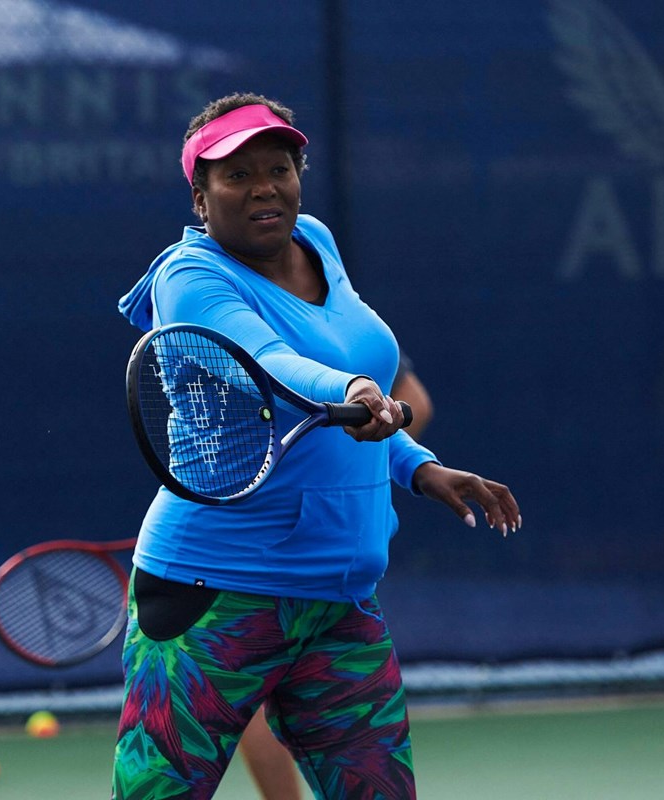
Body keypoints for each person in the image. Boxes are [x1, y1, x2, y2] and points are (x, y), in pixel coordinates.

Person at [114, 92, 520, 800]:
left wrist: (419, 467)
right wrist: (358, 386)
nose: (264, 186)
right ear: (201, 199)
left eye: (279, 167)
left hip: (338, 602)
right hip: (212, 595)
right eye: (236, 176)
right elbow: (269, 365)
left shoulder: (318, 243)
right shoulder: (190, 278)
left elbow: (336, 421)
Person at [235, 357, 434, 800]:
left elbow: (413, 402)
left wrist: (344, 479)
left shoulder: (342, 313)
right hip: (235, 565)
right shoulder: (205, 295)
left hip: (328, 572)